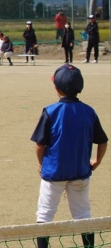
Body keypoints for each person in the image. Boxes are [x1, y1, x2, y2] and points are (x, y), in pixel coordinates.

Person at [30, 64, 107, 248]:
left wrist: (42, 164)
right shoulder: (89, 111)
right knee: (83, 215)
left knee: (45, 214)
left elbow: (40, 145)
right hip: (80, 172)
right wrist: (96, 162)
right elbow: (103, 141)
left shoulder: (50, 111)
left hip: (53, 173)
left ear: (57, 88)